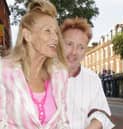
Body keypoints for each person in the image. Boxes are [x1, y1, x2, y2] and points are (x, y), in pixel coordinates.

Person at [0, 0, 70, 129]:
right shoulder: (4, 71)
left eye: (56, 32)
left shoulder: (60, 74)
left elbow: (63, 122)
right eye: (47, 31)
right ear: (28, 35)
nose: (55, 38)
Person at [60, 17, 115, 129]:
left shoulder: (92, 79)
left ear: (85, 51)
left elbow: (100, 113)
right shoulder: (43, 75)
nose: (74, 52)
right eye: (69, 44)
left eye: (81, 47)